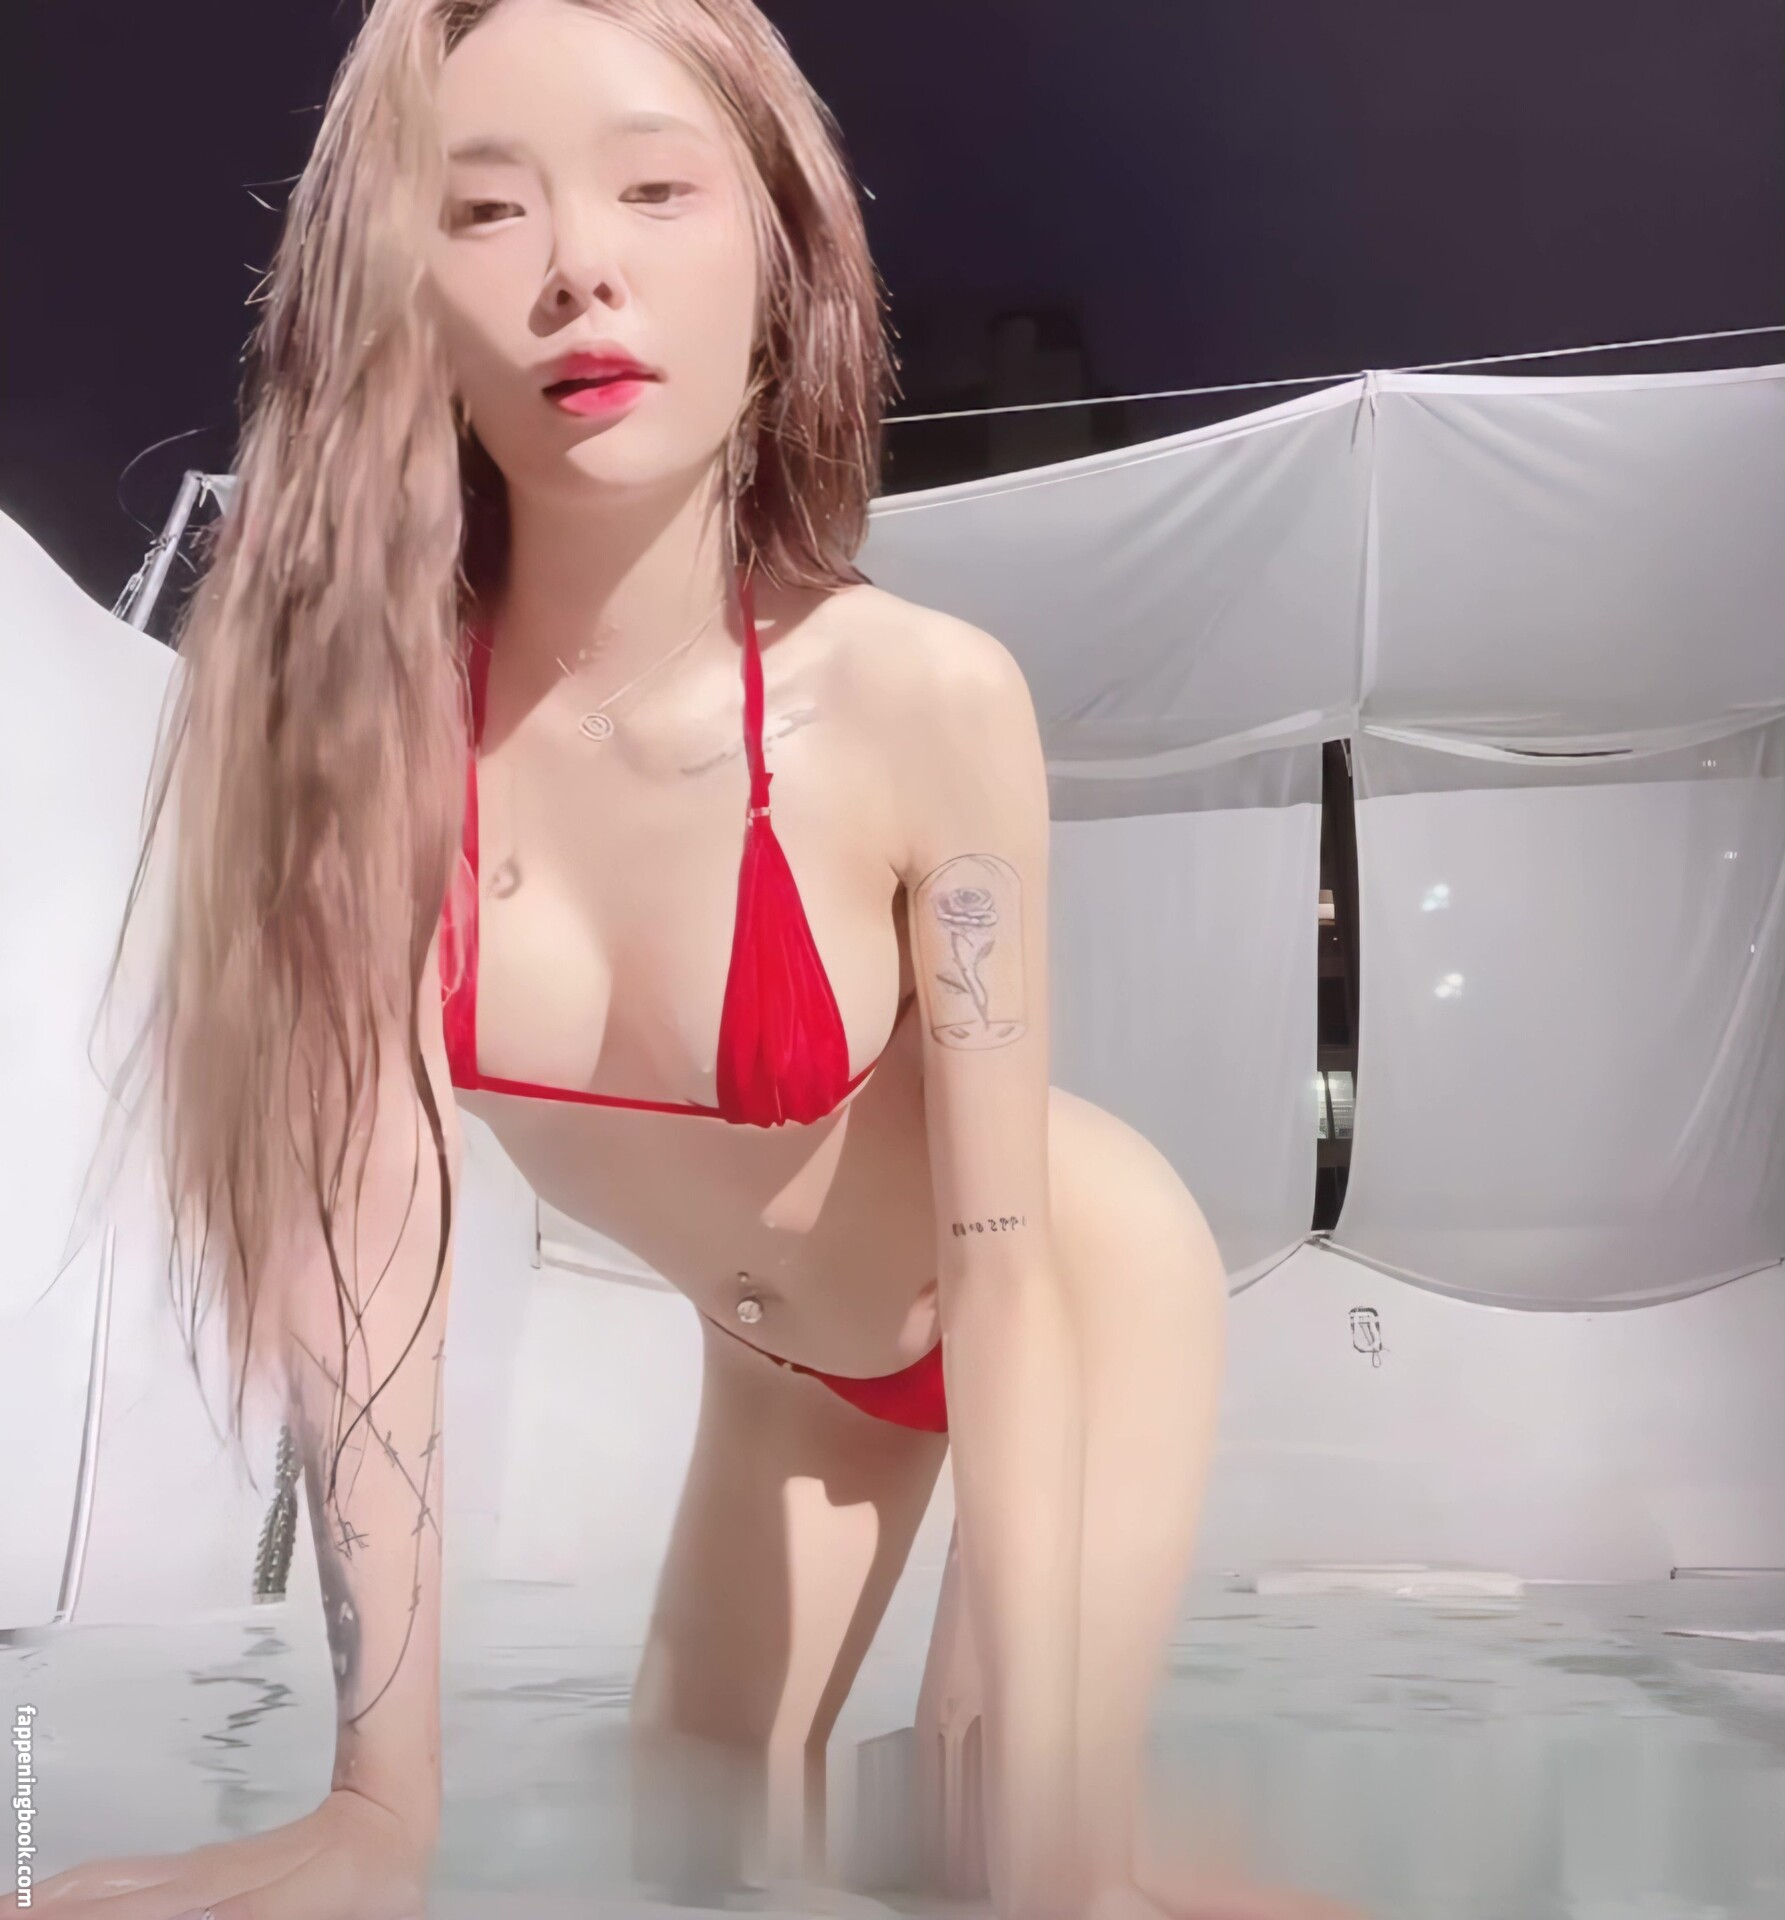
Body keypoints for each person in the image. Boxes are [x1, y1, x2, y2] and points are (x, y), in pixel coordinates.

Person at [6, 4, 1363, 1917]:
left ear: (782, 258)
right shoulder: (356, 745)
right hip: (783, 1369)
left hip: (1057, 1287)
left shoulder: (917, 699)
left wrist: (1043, 1794)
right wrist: (379, 1809)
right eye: (485, 209)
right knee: (696, 1858)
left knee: (1024, 1867)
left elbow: (1004, 1272)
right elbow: (366, 1269)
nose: (579, 266)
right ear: (393, 293)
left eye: (656, 188)